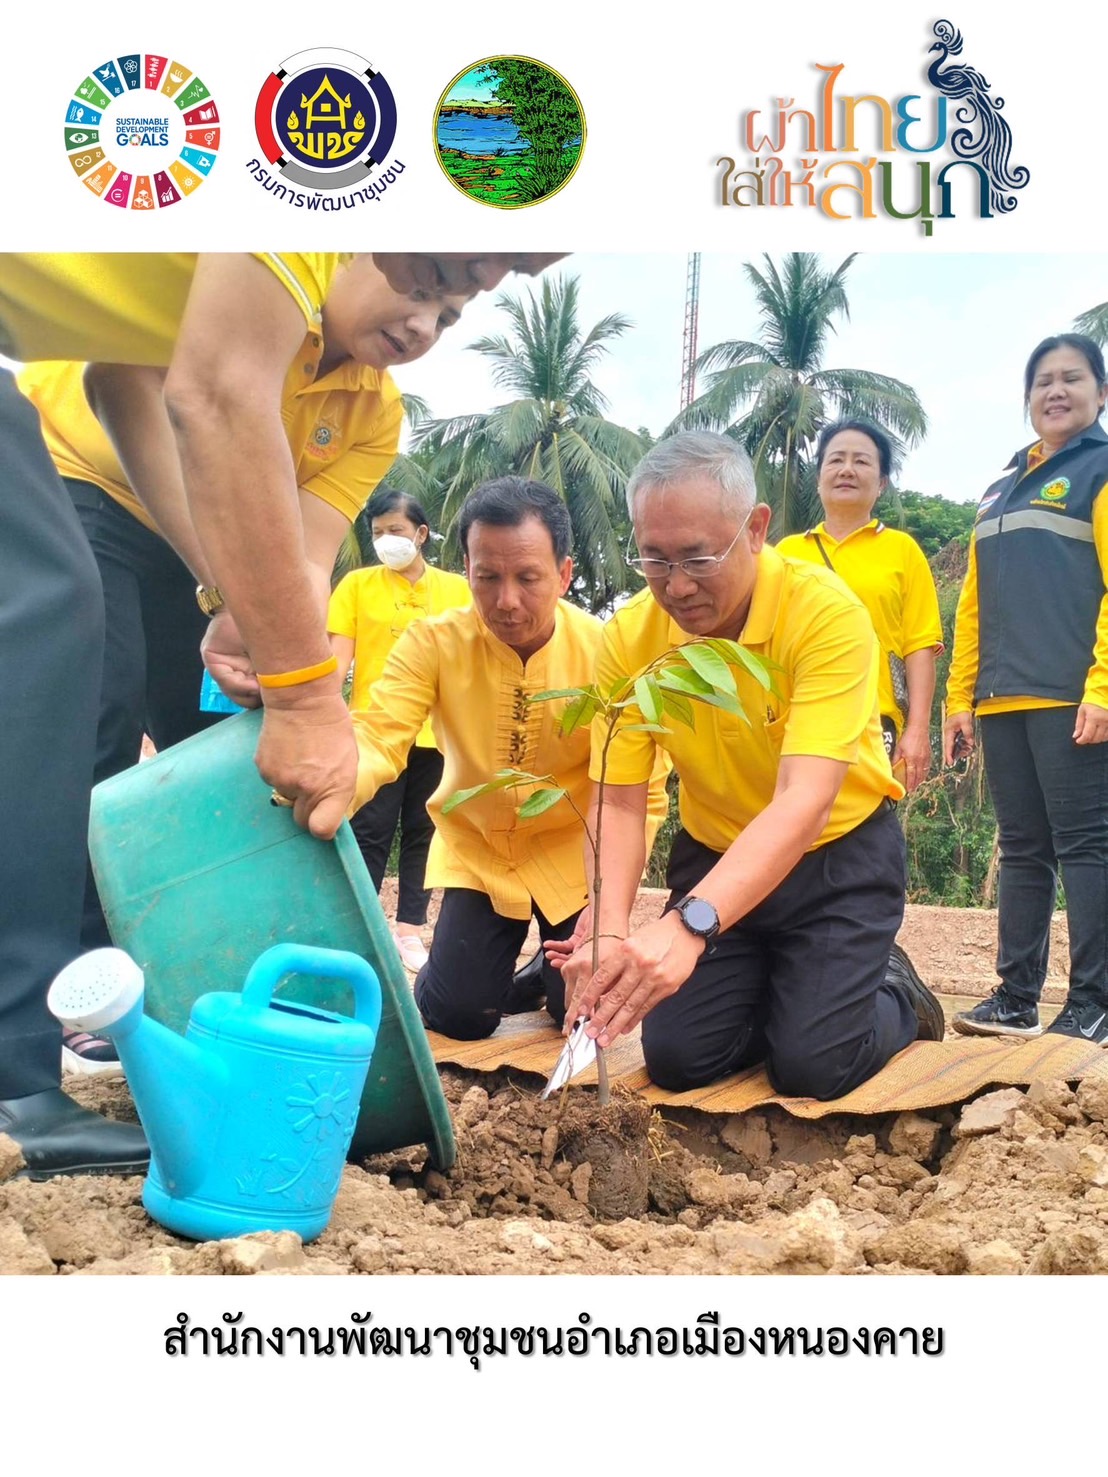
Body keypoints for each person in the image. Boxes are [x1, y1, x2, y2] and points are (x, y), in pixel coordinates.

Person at [0, 250, 563, 1177]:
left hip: (203, 536)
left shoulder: (371, 415)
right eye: (424, 285)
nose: (426, 323)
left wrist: (259, 633)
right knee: (79, 719)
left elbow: (300, 558)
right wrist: (249, 616)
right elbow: (132, 393)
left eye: (452, 315)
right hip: (86, 485)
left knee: (227, 770)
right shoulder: (286, 244)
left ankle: (189, 1019)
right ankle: (31, 1042)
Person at [555, 431, 944, 1099]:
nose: (675, 585)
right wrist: (611, 934)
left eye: (698, 557)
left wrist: (691, 926)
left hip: (834, 859)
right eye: (653, 558)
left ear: (756, 528)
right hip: (714, 852)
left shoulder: (825, 616)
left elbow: (804, 800)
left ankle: (899, 993)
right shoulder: (630, 638)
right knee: (678, 1057)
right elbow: (618, 800)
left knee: (814, 1064)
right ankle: (790, 985)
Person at [350, 476, 668, 1040]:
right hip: (482, 851)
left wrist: (609, 906)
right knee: (458, 1016)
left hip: (576, 853)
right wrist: (325, 784)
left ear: (565, 574)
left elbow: (640, 791)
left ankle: (534, 978)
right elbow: (378, 737)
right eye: (487, 577)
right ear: (465, 568)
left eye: (528, 577)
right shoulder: (432, 643)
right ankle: (478, 978)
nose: (506, 601)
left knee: (570, 1008)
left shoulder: (607, 654)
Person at [945, 333, 1108, 1043]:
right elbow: (974, 600)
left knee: (1086, 846)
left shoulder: (1100, 469)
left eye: (1073, 378)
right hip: (1002, 697)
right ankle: (1015, 996)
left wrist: (1102, 685)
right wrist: (961, 697)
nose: (1056, 390)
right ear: (1027, 399)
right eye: (1043, 380)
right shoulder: (1000, 486)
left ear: (1100, 394)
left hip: (1071, 694)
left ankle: (1095, 1003)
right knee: (1021, 847)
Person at [328, 489, 471, 972]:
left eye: (396, 530)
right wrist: (324, 716)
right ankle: (363, 928)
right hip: (375, 731)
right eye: (378, 532)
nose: (387, 540)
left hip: (441, 733)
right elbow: (338, 661)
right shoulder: (356, 585)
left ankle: (410, 929)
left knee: (424, 831)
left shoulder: (457, 589)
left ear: (422, 534)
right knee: (368, 829)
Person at [776, 419, 943, 792]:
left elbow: (920, 646)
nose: (847, 470)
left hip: (875, 723)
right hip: (797, 720)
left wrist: (917, 730)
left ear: (882, 482)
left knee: (868, 835)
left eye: (862, 462)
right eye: (835, 460)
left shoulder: (903, 551)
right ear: (818, 477)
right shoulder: (785, 555)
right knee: (795, 830)